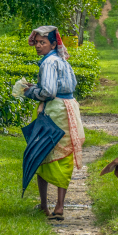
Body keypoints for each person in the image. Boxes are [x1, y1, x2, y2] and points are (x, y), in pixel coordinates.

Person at [24, 26, 85, 219]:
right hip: (70, 109)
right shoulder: (63, 61)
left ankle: (44, 205)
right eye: (38, 42)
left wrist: (30, 91)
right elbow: (70, 85)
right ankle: (59, 206)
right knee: (64, 156)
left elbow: (48, 92)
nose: (38, 46)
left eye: (43, 42)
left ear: (52, 43)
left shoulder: (48, 63)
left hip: (55, 110)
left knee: (44, 153)